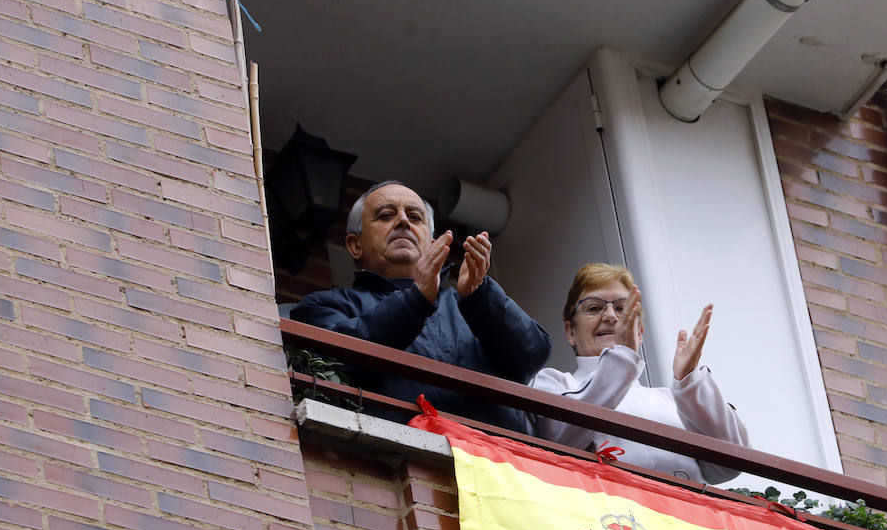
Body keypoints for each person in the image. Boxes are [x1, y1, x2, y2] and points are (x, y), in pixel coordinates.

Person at [292, 180, 550, 432]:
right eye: (385, 215)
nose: (403, 221)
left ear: (430, 241)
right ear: (355, 245)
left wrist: (480, 297)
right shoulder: (323, 306)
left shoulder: (468, 301)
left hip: (495, 463)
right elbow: (330, 365)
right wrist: (416, 299)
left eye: (415, 217)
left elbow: (532, 354)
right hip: (397, 462)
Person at [531, 263, 747, 482]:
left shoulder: (670, 399)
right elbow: (557, 444)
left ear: (640, 333)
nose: (610, 316)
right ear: (570, 332)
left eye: (622, 309)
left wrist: (689, 381)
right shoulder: (555, 383)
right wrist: (623, 357)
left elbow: (728, 467)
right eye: (594, 308)